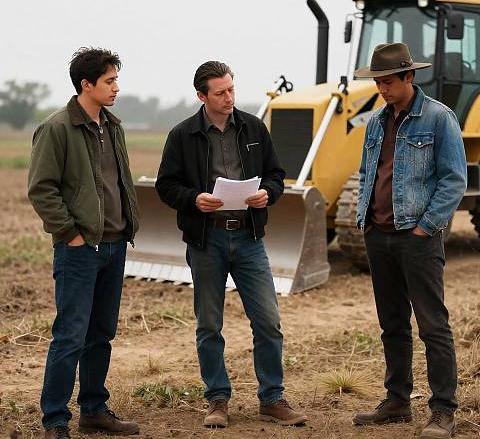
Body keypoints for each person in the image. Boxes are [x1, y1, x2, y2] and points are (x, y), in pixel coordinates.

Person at [155, 61, 307, 428]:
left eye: (231, 89)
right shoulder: (182, 134)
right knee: (209, 324)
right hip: (206, 240)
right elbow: (165, 185)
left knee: (268, 321)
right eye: (220, 92)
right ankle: (217, 400)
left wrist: (266, 194)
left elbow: (276, 175)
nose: (229, 97)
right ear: (201, 96)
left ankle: (272, 399)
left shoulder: (254, 127)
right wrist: (194, 199)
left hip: (249, 238)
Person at [353, 43, 466, 438]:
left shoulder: (438, 118)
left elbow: (455, 179)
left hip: (417, 238)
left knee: (433, 325)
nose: (382, 89)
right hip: (378, 235)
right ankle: (398, 400)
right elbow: (368, 173)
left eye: (388, 82)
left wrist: (425, 226)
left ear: (409, 77)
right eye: (378, 82)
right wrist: (364, 220)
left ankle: (443, 411)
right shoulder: (375, 122)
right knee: (392, 324)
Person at [28, 48, 140, 438]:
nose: (116, 88)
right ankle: (55, 421)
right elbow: (42, 190)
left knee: (101, 334)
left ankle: (93, 410)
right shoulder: (57, 128)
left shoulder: (113, 127)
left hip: (114, 246)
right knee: (70, 336)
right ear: (86, 84)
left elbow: (119, 182)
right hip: (79, 249)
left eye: (115, 80)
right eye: (109, 81)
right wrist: (72, 236)